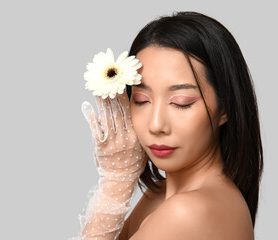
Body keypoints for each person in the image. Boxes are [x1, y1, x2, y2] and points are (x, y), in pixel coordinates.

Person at [70, 11, 263, 240]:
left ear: (225, 108)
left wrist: (116, 182)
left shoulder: (188, 212)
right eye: (142, 100)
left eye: (181, 103)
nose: (156, 125)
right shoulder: (160, 194)